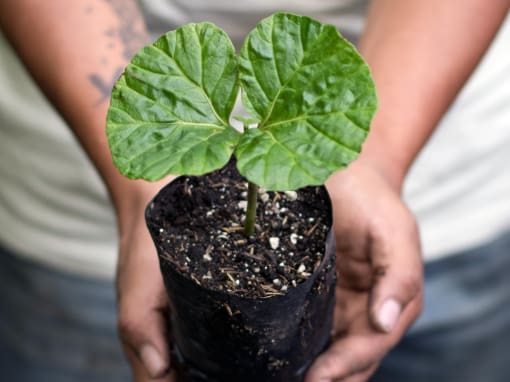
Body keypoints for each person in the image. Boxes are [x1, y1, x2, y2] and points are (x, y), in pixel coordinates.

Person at [0, 1, 509, 382]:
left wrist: (375, 161)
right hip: (66, 225)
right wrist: (139, 196)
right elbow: (142, 123)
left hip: (453, 184)